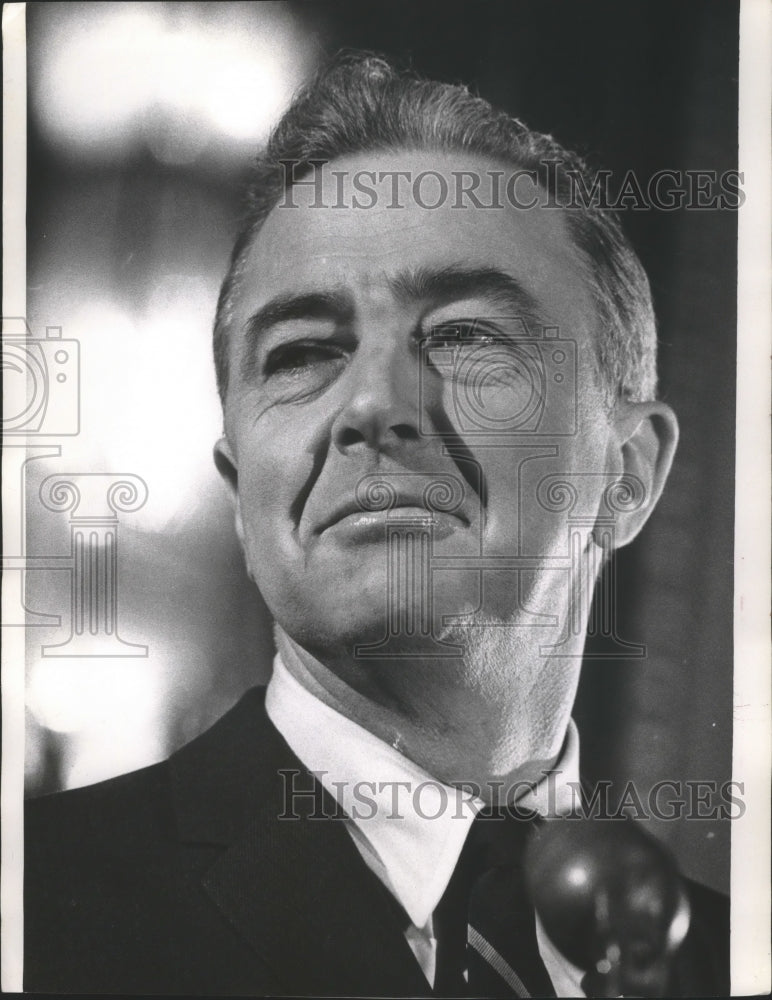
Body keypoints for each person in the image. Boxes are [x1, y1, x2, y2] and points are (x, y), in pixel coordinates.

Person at [24, 54, 728, 997]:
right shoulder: (34, 912)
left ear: (628, 473)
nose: (373, 406)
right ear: (241, 492)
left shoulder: (730, 960)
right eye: (306, 351)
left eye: (464, 335)